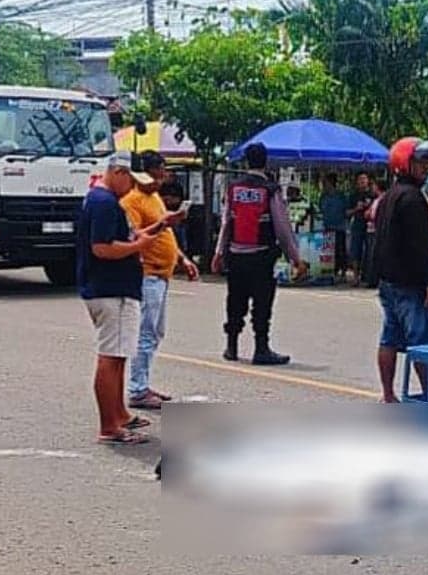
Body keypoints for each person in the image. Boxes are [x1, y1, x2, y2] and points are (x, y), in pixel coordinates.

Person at [77, 151, 172, 445]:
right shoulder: (105, 203)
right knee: (110, 357)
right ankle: (110, 425)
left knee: (118, 357)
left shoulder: (103, 200)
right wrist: (137, 247)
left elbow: (122, 238)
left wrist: (152, 231)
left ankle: (118, 414)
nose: (132, 187)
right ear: (118, 173)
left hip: (113, 288)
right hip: (111, 289)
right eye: (130, 180)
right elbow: (102, 248)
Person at [212, 143, 307, 365]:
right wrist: (296, 259)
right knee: (262, 303)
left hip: (236, 254)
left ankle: (232, 346)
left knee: (235, 300)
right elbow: (282, 228)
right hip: (261, 256)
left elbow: (226, 222)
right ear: (265, 162)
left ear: (246, 162)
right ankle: (261, 349)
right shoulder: (270, 189)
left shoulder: (233, 187)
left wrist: (218, 253)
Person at [120, 151, 200, 409]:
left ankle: (142, 383)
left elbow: (165, 235)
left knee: (155, 332)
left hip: (162, 275)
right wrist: (165, 223)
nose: (162, 178)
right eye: (158, 172)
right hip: (147, 274)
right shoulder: (132, 201)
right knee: (145, 333)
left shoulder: (153, 197)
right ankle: (137, 389)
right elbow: (134, 236)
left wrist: (182, 259)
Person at [373, 137, 428, 404]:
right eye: (421, 162)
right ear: (405, 164)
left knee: (390, 337)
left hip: (388, 281)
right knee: (423, 341)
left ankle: (388, 395)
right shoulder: (414, 199)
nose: (426, 167)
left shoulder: (388, 197)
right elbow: (421, 245)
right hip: (409, 283)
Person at [347, 173, 375, 286]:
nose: (362, 182)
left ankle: (368, 276)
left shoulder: (373, 194)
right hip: (358, 224)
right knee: (355, 249)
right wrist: (356, 208)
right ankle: (355, 276)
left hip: (370, 226)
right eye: (360, 179)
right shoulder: (353, 196)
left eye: (364, 179)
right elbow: (347, 212)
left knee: (370, 250)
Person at [319, 174, 349, 277]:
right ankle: (332, 270)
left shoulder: (341, 196)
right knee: (329, 251)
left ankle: (343, 270)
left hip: (339, 227)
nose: (324, 185)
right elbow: (320, 209)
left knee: (340, 250)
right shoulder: (323, 196)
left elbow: (346, 210)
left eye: (325, 183)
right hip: (328, 226)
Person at [362, 178, 388, 288]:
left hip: (375, 231)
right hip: (371, 230)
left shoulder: (383, 199)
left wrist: (369, 215)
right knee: (370, 255)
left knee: (373, 255)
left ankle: (374, 279)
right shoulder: (376, 199)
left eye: (374, 186)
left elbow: (374, 215)